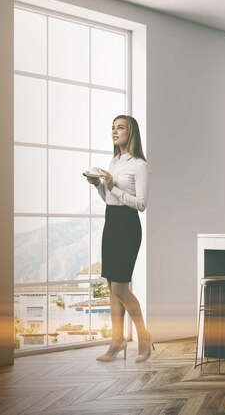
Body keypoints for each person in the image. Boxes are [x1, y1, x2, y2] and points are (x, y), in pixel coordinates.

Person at [85, 115, 153, 363]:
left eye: (120, 127)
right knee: (112, 288)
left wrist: (112, 186)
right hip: (111, 222)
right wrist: (99, 186)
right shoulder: (114, 162)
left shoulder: (139, 165)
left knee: (120, 288)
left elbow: (142, 204)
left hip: (127, 226)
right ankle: (117, 341)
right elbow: (109, 199)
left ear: (131, 132)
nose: (115, 132)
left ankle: (144, 337)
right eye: (112, 127)